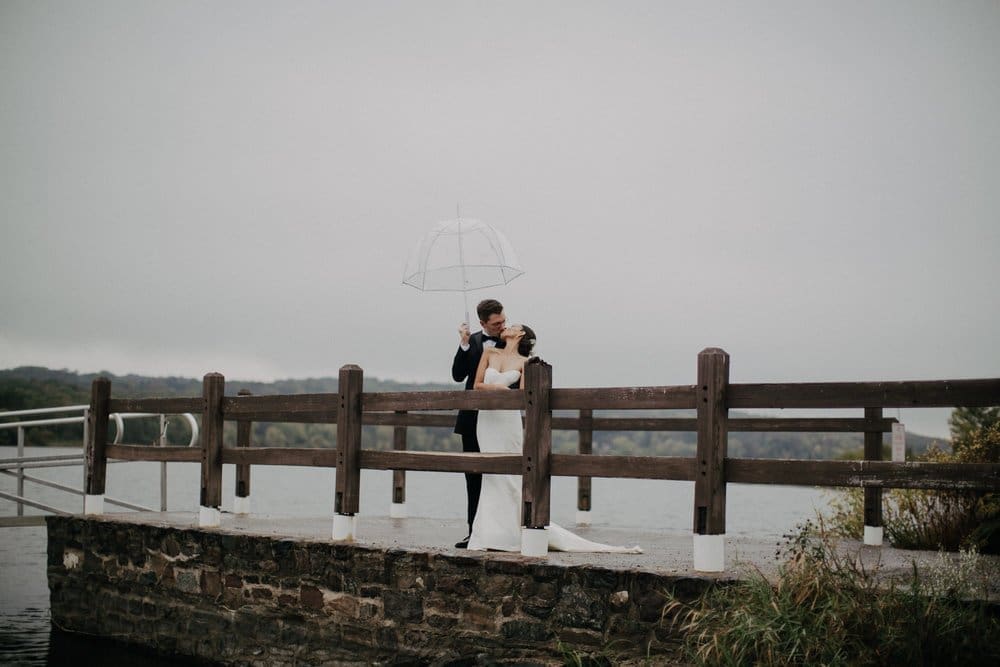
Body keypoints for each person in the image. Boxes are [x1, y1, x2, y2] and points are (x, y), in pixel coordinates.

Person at [466, 324, 642, 554]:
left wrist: (507, 393)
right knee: (492, 474)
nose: (507, 326)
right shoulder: (489, 353)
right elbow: (477, 385)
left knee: (510, 476)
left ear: (519, 334)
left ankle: (509, 534)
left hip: (507, 421)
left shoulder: (525, 362)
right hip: (487, 420)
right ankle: (489, 534)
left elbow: (523, 395)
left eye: (513, 325)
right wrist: (498, 391)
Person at [451, 298, 507, 548]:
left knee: (499, 475)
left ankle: (501, 529)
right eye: (496, 323)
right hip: (472, 419)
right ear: (483, 322)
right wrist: (463, 344)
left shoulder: (511, 342)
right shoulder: (472, 341)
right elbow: (457, 376)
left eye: (503, 320)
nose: (501, 326)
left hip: (499, 420)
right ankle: (473, 531)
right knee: (473, 475)